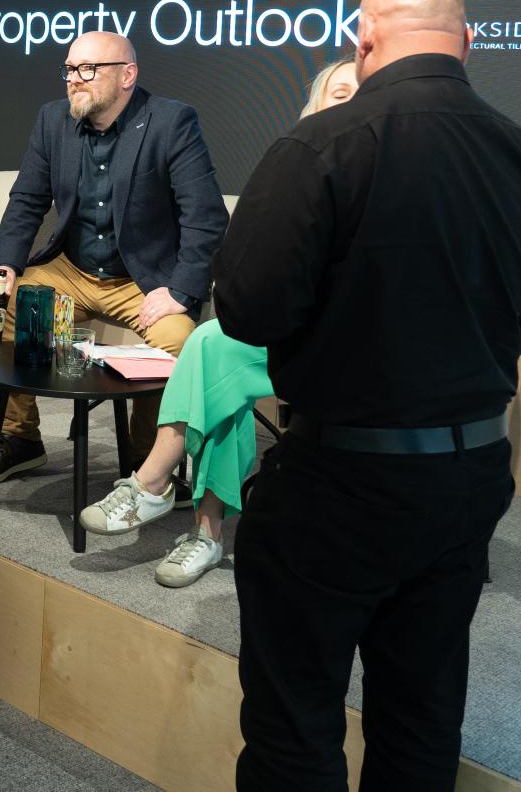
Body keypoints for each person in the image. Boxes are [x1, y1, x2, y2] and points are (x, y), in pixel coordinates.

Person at [213, 0, 521, 791]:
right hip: (470, 481)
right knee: (422, 718)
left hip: (338, 479)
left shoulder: (317, 147)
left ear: (363, 38)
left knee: (295, 724)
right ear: (468, 41)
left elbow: (248, 312)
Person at [79, 58, 359, 588]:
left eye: (360, 93)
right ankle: (201, 531)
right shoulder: (298, 167)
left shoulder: (393, 175)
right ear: (316, 107)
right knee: (217, 361)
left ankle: (154, 486)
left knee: (212, 350)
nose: (349, 104)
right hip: (291, 328)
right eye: (338, 93)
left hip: (352, 340)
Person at [0, 30, 229, 488]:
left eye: (88, 69)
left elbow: (205, 217)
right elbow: (27, 200)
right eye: (69, 69)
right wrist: (7, 264)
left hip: (142, 278)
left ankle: (148, 460)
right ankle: (20, 437)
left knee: (176, 340)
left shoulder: (170, 121)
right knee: (2, 305)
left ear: (127, 75)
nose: (74, 79)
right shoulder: (53, 120)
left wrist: (181, 290)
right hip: (73, 270)